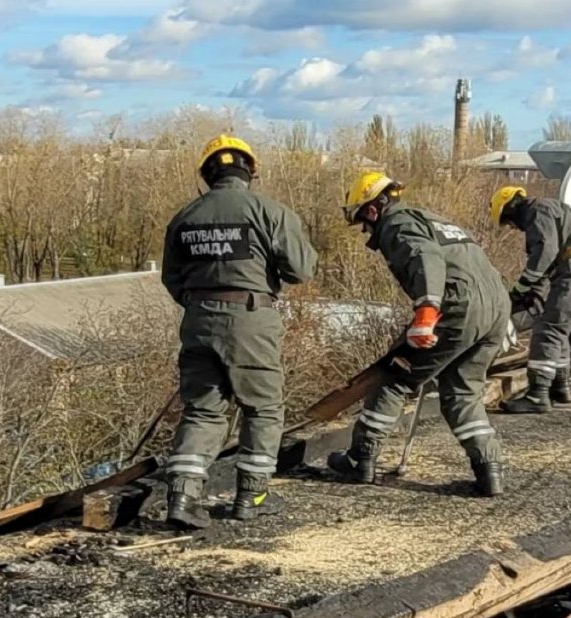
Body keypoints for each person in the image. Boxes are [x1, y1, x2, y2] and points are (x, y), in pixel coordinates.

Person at [160, 134, 318, 527]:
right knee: (262, 407)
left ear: (206, 173)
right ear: (250, 170)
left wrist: (203, 304)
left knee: (202, 411)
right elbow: (301, 270)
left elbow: (172, 279)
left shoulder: (184, 217)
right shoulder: (269, 211)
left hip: (198, 321)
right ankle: (251, 496)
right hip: (251, 319)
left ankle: (182, 495)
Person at [326, 172, 508, 496]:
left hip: (454, 308)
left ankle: (361, 458)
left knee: (395, 375)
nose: (366, 231)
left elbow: (425, 258)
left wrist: (427, 308)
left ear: (371, 210)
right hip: (494, 309)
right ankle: (489, 469)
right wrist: (496, 316)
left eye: (363, 223)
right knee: (463, 392)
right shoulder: (436, 221)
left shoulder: (397, 223)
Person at [488, 186, 571, 414]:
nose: (511, 227)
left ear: (511, 206)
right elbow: (546, 263)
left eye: (507, 221)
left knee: (548, 330)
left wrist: (521, 287)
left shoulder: (537, 210)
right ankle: (559, 388)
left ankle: (537, 395)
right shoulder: (546, 210)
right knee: (557, 329)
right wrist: (532, 292)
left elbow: (545, 253)